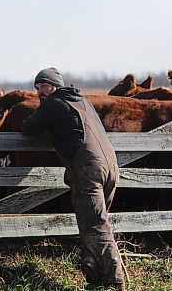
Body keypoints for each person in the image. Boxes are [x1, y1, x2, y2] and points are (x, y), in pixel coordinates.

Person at [22, 67, 126, 290]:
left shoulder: (53, 104)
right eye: (37, 87)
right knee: (94, 222)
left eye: (44, 86)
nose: (40, 91)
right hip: (111, 168)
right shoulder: (83, 101)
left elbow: (28, 127)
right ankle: (93, 270)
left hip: (87, 170)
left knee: (97, 226)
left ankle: (115, 282)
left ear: (56, 86)